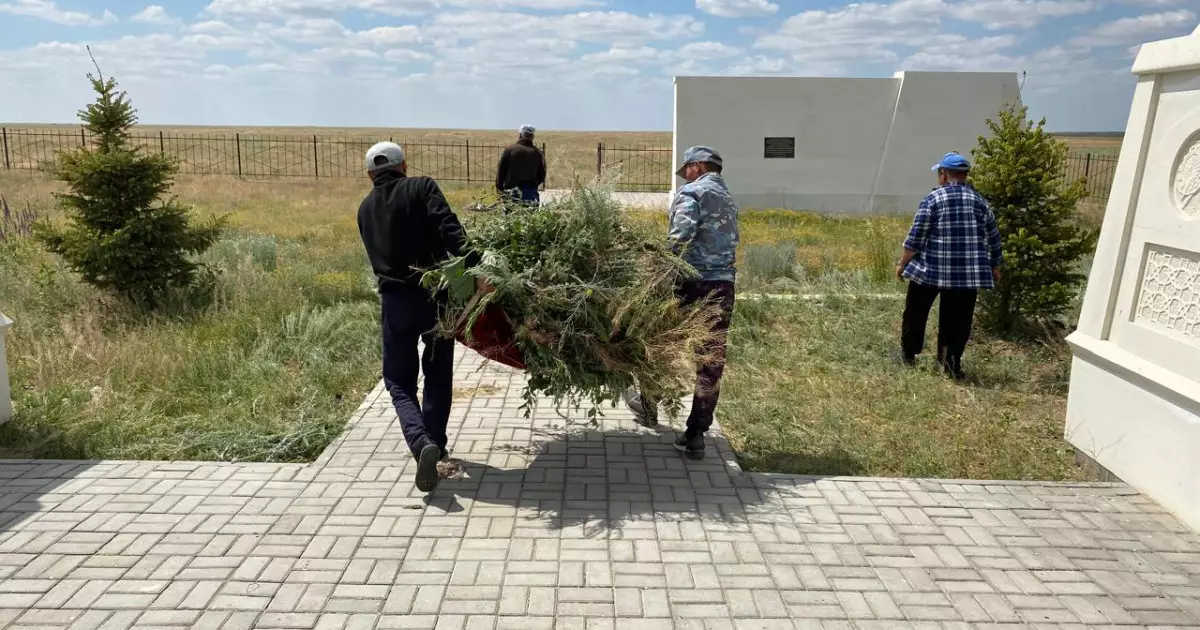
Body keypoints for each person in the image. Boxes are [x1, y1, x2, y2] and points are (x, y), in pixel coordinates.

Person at [357, 141, 490, 493]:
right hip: (435, 298)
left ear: (370, 173)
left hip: (395, 305)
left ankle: (421, 445)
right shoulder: (422, 187)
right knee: (437, 374)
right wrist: (478, 269)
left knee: (399, 382)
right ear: (404, 166)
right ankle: (435, 444)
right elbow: (450, 230)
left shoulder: (364, 209)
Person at [624, 146, 739, 460]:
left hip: (690, 284)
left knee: (659, 343)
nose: (684, 175)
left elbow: (679, 238)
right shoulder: (729, 199)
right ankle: (696, 434)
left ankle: (648, 405)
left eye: (686, 168)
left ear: (698, 166)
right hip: (723, 286)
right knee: (711, 360)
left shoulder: (693, 194)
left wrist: (654, 273)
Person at [896, 151, 1003, 381]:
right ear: (964, 176)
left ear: (944, 175)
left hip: (930, 270)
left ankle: (908, 355)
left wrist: (903, 264)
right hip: (967, 275)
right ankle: (950, 363)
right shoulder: (981, 202)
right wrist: (995, 265)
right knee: (958, 319)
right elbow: (993, 237)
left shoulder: (933, 200)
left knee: (916, 312)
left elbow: (916, 238)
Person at [495, 124, 546, 205]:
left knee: (510, 217)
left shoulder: (510, 150)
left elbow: (501, 172)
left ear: (520, 135)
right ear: (532, 137)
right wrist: (532, 186)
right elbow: (542, 175)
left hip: (511, 194)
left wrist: (500, 190)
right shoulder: (538, 153)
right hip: (531, 195)